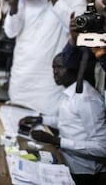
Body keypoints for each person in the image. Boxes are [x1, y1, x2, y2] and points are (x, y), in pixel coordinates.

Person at [4, 0, 86, 115]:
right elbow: (11, 31)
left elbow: (75, 27)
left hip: (48, 82)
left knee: (44, 124)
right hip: (22, 75)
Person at [19, 52, 106, 185]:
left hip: (82, 172)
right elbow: (67, 122)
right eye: (53, 68)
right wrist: (40, 120)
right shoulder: (69, 92)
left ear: (75, 68)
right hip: (64, 160)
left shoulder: (87, 100)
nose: (55, 72)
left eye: (60, 67)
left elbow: (102, 147)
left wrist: (56, 140)